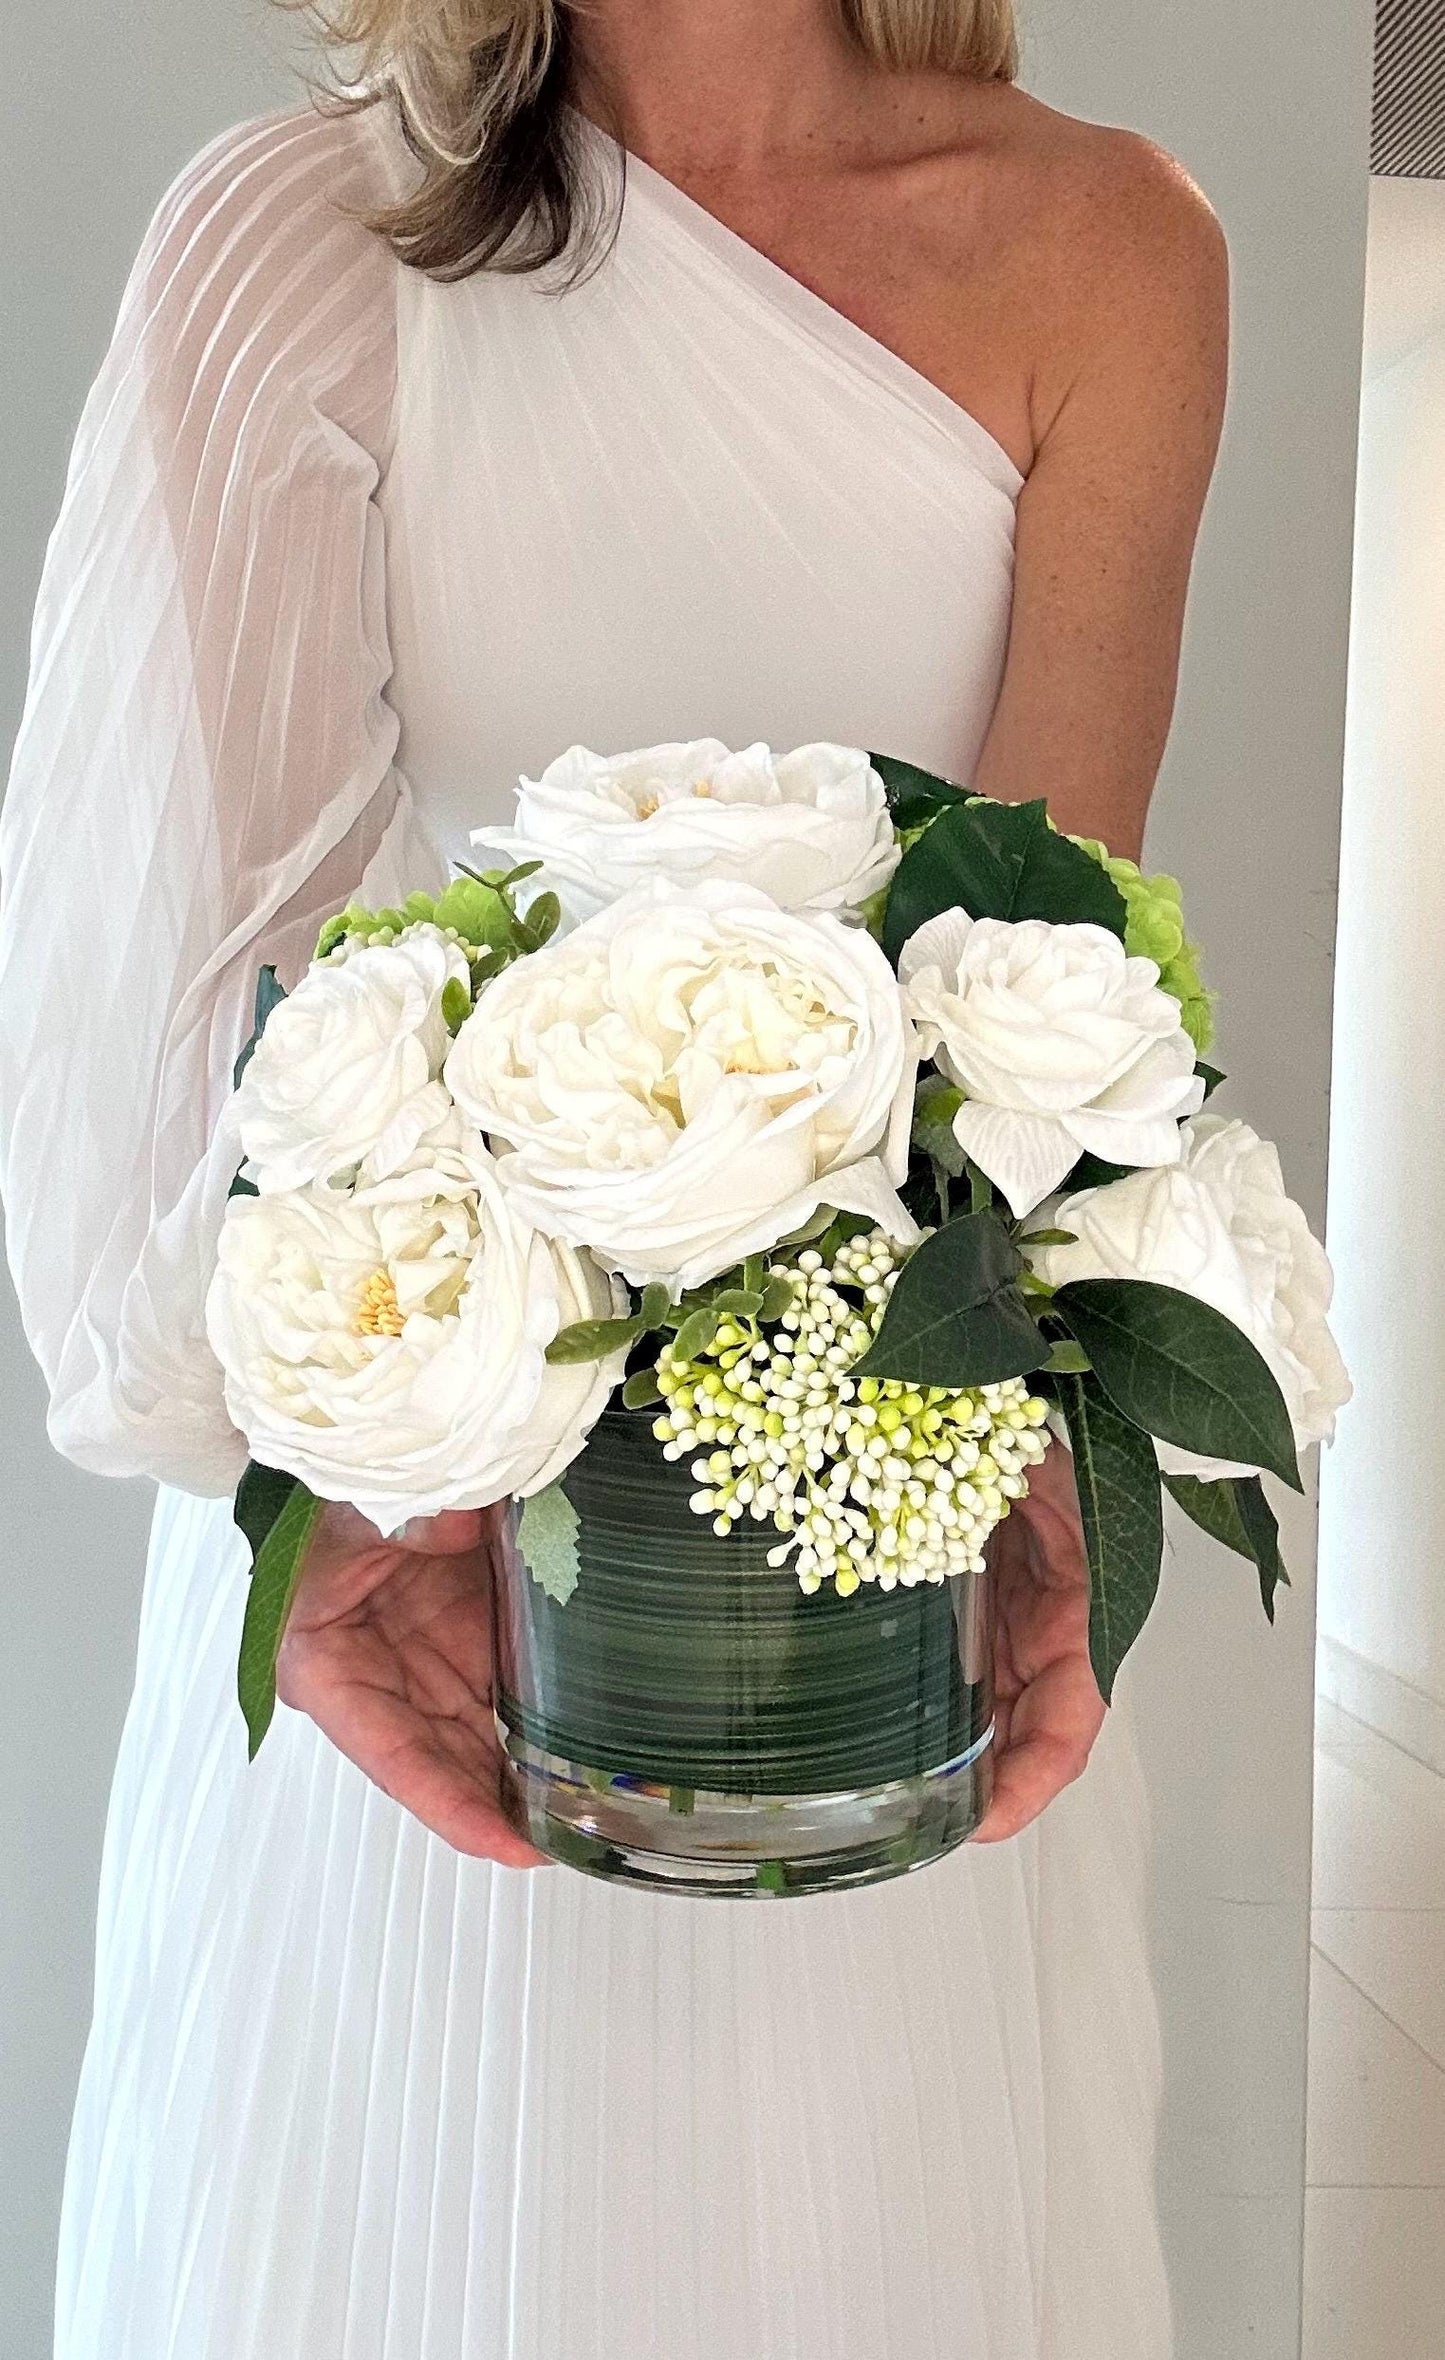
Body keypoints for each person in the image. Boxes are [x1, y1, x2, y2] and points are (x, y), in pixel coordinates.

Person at [0, 2, 1228, 2353]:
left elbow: (1037, 1027)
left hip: (878, 1571)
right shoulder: (307, 233)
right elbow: (201, 1032)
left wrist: (1034, 1450)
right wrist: (358, 1483)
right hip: (420, 1560)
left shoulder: (1108, 248)